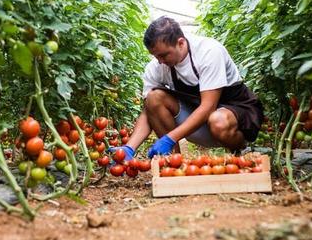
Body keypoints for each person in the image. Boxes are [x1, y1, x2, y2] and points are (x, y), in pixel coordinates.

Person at [110, 16, 263, 160]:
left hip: (235, 115)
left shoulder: (208, 52)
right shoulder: (157, 66)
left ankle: (241, 149)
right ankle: (173, 162)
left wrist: (169, 138)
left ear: (181, 43)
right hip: (197, 119)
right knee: (154, 97)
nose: (160, 62)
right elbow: (149, 109)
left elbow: (208, 107)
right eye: (156, 56)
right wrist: (130, 147)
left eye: (164, 55)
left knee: (218, 120)